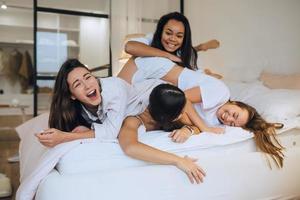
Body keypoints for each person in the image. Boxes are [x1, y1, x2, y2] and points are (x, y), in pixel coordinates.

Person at [118, 56, 285, 168]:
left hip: (159, 101)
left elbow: (192, 121)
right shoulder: (221, 92)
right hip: (153, 76)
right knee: (112, 96)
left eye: (232, 123)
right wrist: (204, 128)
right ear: (236, 103)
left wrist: (189, 129)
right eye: (234, 114)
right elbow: (182, 100)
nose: (227, 118)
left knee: (115, 117)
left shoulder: (216, 120)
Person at [118, 83, 206, 184]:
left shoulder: (168, 114)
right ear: (175, 117)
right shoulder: (133, 120)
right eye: (182, 111)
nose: (185, 112)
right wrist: (179, 161)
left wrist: (187, 130)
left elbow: (196, 128)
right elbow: (130, 147)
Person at [36, 59, 130, 147]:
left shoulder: (113, 89)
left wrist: (64, 137)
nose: (87, 86)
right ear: (72, 95)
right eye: (78, 84)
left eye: (88, 77)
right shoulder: (77, 110)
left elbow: (110, 132)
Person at [118, 11, 222, 80]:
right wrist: (167, 55)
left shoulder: (181, 54)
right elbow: (129, 47)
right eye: (168, 33)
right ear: (160, 32)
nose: (172, 39)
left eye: (179, 36)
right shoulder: (151, 39)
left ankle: (204, 64)